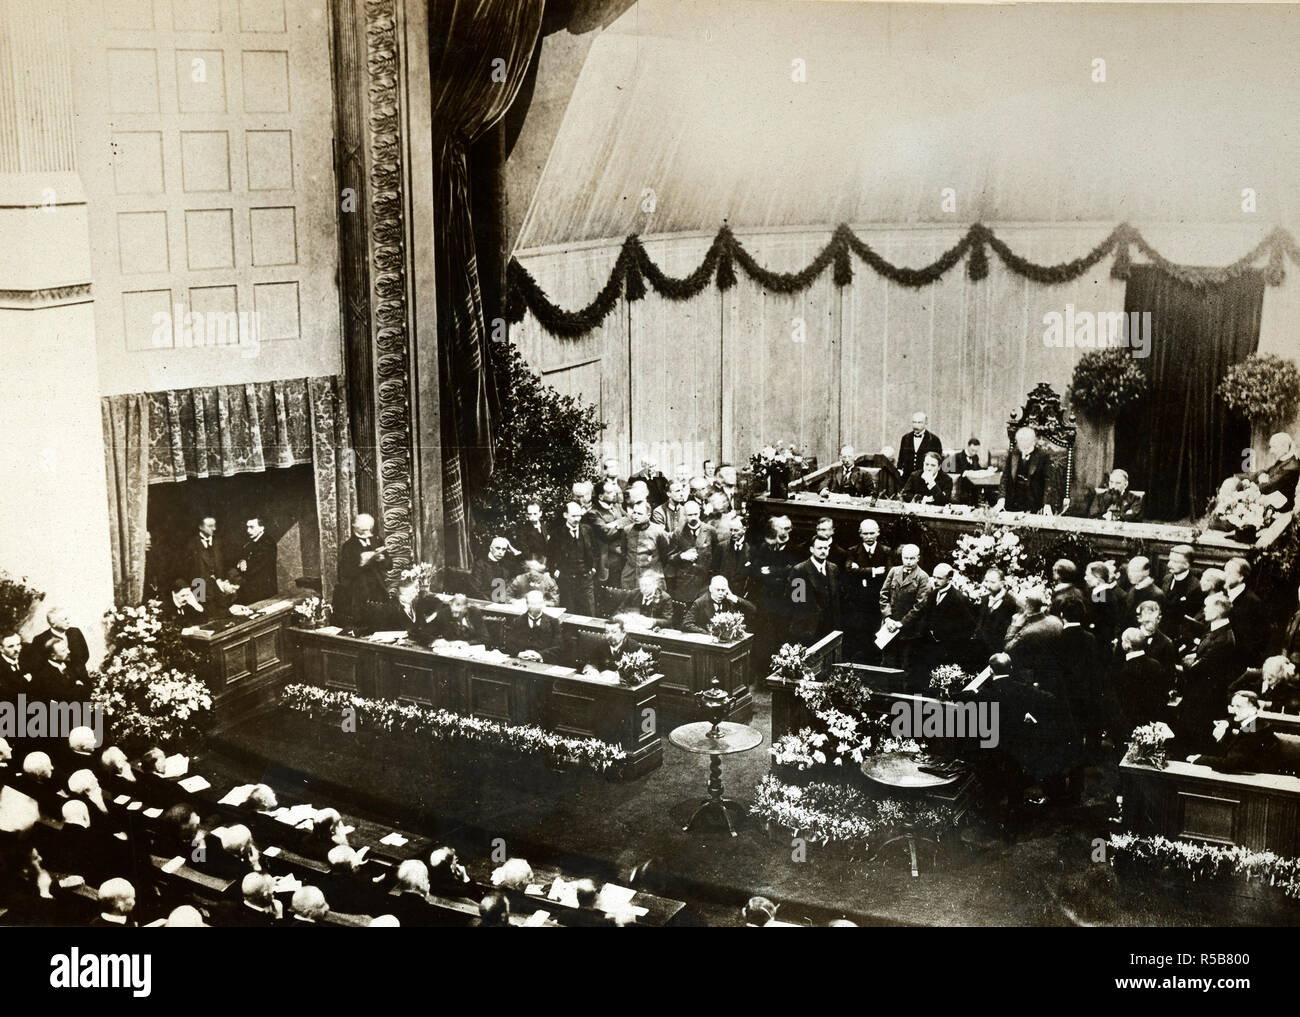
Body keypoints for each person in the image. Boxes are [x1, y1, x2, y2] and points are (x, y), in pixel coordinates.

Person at [1176, 592, 1240, 753]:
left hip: (1206, 698)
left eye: (1207, 606)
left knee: (1199, 738)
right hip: (1198, 694)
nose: (1204, 610)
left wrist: (1181, 665)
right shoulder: (1214, 631)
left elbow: (1199, 668)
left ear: (1218, 610)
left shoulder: (1223, 639)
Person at [1188, 691, 1283, 773]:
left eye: (1239, 706)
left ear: (1253, 709)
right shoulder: (1255, 723)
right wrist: (1225, 723)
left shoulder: (1254, 731)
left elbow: (1231, 763)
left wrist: (1200, 759)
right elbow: (1233, 721)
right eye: (1233, 706)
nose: (1234, 711)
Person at [914, 563, 975, 684]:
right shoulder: (932, 594)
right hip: (929, 649)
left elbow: (968, 627)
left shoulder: (959, 599)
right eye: (934, 577)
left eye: (939, 578)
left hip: (948, 651)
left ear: (950, 579)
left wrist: (948, 640)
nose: (935, 581)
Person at [841, 520, 893, 661]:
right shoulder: (852, 551)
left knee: (874, 636)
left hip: (876, 603)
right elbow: (849, 571)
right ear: (860, 534)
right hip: (858, 603)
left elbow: (888, 573)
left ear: (878, 533)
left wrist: (860, 570)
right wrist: (874, 571)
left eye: (872, 533)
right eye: (866, 533)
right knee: (858, 635)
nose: (869, 536)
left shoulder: (886, 551)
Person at [1110, 628, 1168, 743]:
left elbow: (1120, 707)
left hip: (1130, 729)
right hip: (1154, 727)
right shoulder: (1156, 665)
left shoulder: (1122, 672)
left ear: (1127, 645)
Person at [879, 544, 931, 672]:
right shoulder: (894, 571)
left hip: (909, 630)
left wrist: (901, 623)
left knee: (905, 666)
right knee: (887, 662)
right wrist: (888, 618)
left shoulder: (922, 577)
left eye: (912, 558)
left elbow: (920, 605)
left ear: (918, 558)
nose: (908, 561)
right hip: (889, 627)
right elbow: (883, 595)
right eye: (905, 558)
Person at [786, 534, 842, 647]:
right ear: (812, 549)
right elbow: (796, 602)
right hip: (808, 629)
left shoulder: (833, 569)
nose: (823, 551)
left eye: (826, 548)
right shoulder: (800, 570)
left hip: (830, 627)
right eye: (819, 548)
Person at [335, 514, 389, 627]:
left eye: (369, 529)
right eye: (363, 530)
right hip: (359, 592)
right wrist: (360, 563)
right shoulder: (348, 546)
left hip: (378, 589)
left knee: (381, 621)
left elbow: (389, 565)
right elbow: (344, 574)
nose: (367, 532)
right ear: (355, 527)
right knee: (364, 623)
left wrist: (382, 559)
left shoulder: (377, 540)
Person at [1005, 588, 1064, 691]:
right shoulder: (1056, 621)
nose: (1018, 611)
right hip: (1057, 675)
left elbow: (1008, 649)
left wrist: (1015, 625)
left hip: (1034, 679)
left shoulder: (1028, 632)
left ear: (1029, 607)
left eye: (1019, 608)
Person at [549, 501, 597, 615]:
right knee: (570, 610)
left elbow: (595, 551)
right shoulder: (557, 534)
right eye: (574, 516)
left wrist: (593, 568)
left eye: (579, 515)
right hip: (567, 579)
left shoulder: (587, 530)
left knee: (590, 611)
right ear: (565, 515)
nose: (577, 519)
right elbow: (550, 555)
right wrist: (555, 571)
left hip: (585, 577)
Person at [22, 607, 89, 686]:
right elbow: (39, 665)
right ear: (53, 623)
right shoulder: (40, 639)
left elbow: (85, 654)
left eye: (67, 618)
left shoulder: (75, 632)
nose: (68, 622)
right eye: (64, 620)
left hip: (82, 677)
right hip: (59, 683)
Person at [667, 500, 719, 602]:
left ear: (699, 512)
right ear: (685, 515)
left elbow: (717, 556)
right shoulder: (678, 533)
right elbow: (669, 557)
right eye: (690, 515)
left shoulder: (710, 531)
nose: (694, 517)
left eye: (696, 514)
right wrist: (681, 556)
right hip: (685, 584)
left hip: (704, 582)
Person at [995, 426, 1054, 515]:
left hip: (1033, 503)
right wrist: (1001, 499)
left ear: (1032, 441)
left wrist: (1047, 504)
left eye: (1025, 441)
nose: (1021, 444)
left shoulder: (1043, 457)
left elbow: (1048, 481)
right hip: (1012, 503)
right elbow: (1005, 478)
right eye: (1020, 441)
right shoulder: (1013, 455)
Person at [1224, 557, 1268, 667]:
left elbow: (1259, 637)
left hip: (1239, 661)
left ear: (1241, 577)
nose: (1225, 576)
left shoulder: (1253, 602)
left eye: (1229, 573)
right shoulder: (1222, 595)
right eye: (1224, 571)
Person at [185, 515, 235, 609]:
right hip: (201, 589)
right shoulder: (191, 545)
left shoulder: (220, 542)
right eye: (210, 526)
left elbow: (228, 563)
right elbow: (189, 572)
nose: (214, 529)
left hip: (222, 589)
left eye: (215, 525)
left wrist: (226, 582)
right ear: (200, 527)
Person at [619, 501, 671, 591]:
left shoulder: (658, 532)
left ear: (648, 515)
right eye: (634, 512)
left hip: (652, 578)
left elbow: (665, 555)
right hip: (630, 577)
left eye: (639, 513)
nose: (635, 516)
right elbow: (624, 552)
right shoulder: (627, 530)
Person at [503, 591, 563, 664]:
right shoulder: (517, 621)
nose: (536, 606)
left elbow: (558, 647)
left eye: (539, 603)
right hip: (521, 661)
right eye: (533, 603)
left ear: (543, 603)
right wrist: (519, 653)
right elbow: (509, 643)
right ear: (527, 604)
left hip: (544, 662)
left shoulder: (553, 622)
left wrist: (540, 655)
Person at [1162, 545, 1203, 648]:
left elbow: (1191, 621)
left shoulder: (1195, 588)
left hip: (1178, 639)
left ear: (1187, 564)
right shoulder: (1166, 579)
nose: (1169, 564)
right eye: (1170, 560)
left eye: (1175, 562)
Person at [683, 576, 756, 634]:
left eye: (723, 590)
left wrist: (735, 598)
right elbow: (687, 624)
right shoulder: (700, 602)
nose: (721, 593)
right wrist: (707, 633)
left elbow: (753, 609)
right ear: (711, 589)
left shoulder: (729, 601)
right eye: (717, 590)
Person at [590, 480, 630, 585]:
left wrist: (614, 524)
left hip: (622, 558)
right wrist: (622, 523)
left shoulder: (617, 507)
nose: (614, 494)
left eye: (614, 491)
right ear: (601, 496)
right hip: (607, 562)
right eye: (610, 492)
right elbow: (606, 534)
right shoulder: (593, 513)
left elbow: (630, 519)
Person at [974, 568, 1017, 658]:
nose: (988, 585)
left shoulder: (1010, 603)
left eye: (992, 582)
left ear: (1002, 583)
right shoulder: (984, 599)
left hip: (998, 650)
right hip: (981, 648)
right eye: (986, 581)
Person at [1255, 432, 1300, 512]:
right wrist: (1262, 476)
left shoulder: (1291, 466)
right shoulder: (1284, 461)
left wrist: (1251, 485)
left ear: (1284, 447)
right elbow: (1265, 471)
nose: (1271, 451)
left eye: (1274, 447)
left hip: (1282, 512)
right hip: (1274, 506)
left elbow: (1267, 487)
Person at [471, 536, 520, 604]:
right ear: (491, 548)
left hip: (504, 603)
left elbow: (523, 565)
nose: (500, 552)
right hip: (486, 603)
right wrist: (491, 602)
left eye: (503, 549)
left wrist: (512, 549)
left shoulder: (506, 565)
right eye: (498, 548)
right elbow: (476, 589)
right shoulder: (480, 564)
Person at [717, 514, 755, 599]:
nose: (732, 533)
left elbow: (754, 576)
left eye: (736, 530)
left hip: (743, 596)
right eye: (731, 530)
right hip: (724, 594)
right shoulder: (721, 547)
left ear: (744, 529)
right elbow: (714, 571)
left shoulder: (753, 549)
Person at [897, 412, 943, 482]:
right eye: (914, 422)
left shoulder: (934, 440)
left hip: (925, 477)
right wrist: (899, 470)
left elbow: (938, 461)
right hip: (907, 478)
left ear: (926, 423)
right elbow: (901, 458)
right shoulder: (905, 438)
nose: (916, 425)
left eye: (919, 423)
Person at [1122, 556, 1165, 630]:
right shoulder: (1133, 589)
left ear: (1146, 572)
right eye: (1129, 571)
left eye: (1135, 571)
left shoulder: (1155, 594)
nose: (1130, 574)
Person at [514, 502, 551, 567]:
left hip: (547, 563)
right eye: (530, 514)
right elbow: (525, 552)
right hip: (532, 564)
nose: (532, 517)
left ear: (540, 513)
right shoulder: (523, 530)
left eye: (535, 514)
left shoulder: (545, 527)